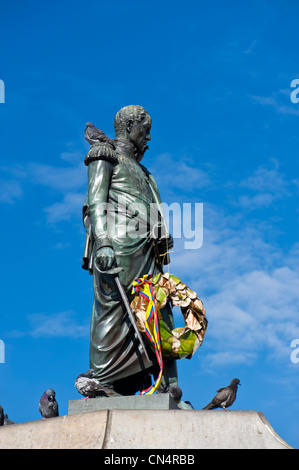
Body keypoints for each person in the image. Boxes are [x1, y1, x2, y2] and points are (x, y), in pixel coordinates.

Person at [81, 105, 179, 397]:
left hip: (148, 253)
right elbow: (95, 202)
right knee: (114, 310)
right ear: (129, 126)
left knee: (155, 312)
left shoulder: (146, 174)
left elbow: (149, 209)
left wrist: (161, 234)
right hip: (119, 246)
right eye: (145, 130)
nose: (148, 137)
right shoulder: (104, 155)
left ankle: (162, 383)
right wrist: (104, 241)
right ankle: (103, 379)